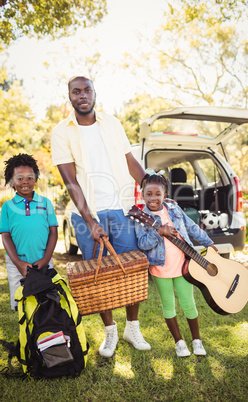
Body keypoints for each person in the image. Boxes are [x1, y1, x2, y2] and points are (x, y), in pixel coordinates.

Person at [51, 75, 151, 358]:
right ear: (69, 96)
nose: (82, 95)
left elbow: (130, 162)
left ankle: (133, 328)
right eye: (76, 91)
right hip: (87, 215)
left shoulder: (113, 123)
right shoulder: (62, 131)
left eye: (87, 90)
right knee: (98, 276)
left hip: (121, 209)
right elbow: (70, 180)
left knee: (131, 269)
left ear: (95, 93)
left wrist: (151, 190)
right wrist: (90, 220)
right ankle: (110, 333)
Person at [134, 169, 218, 357]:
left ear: (165, 194)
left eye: (158, 193)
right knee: (168, 305)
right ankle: (179, 342)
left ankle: (197, 340)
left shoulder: (173, 208)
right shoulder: (140, 218)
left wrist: (208, 242)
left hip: (183, 266)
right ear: (143, 194)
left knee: (189, 303)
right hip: (159, 268)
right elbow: (142, 244)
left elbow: (191, 227)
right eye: (149, 194)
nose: (153, 198)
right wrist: (159, 232)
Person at [0, 154, 58, 310]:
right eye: (19, 178)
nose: (25, 181)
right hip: (16, 264)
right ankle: (25, 335)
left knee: (45, 302)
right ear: (11, 181)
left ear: (36, 178)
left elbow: (53, 232)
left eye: (30, 177)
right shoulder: (7, 207)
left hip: (43, 262)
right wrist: (18, 263)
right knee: (22, 305)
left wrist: (46, 259)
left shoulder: (46, 203)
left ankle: (44, 333)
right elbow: (5, 236)